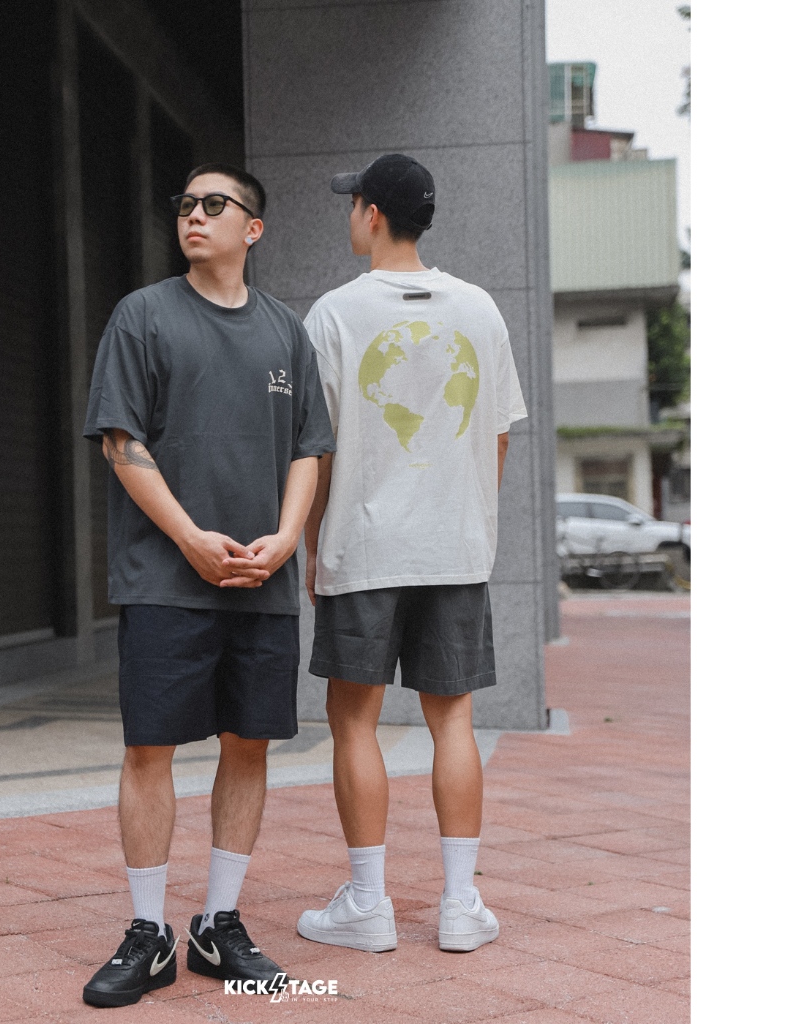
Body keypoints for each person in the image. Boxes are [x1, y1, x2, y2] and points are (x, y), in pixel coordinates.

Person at [81, 163, 335, 1007]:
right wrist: (188, 538)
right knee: (148, 749)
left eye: (213, 205)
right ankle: (148, 932)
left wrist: (289, 537)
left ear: (251, 229)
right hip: (164, 578)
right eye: (185, 204)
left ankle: (218, 926)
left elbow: (309, 447)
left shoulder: (286, 331)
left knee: (249, 744)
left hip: (261, 580)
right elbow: (120, 440)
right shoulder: (143, 316)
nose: (194, 215)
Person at [296, 153, 527, 955]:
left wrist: (313, 547)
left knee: (353, 719)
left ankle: (369, 904)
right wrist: (473, 524)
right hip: (455, 547)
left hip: (362, 546)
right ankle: (460, 905)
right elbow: (497, 436)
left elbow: (317, 448)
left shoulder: (333, 315)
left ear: (370, 213)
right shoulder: (481, 310)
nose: (349, 216)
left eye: (352, 204)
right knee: (452, 717)